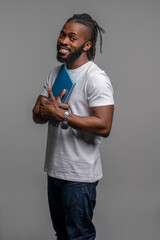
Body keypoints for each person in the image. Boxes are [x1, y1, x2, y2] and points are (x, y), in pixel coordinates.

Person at [32, 13, 114, 240]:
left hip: (80, 176)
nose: (63, 41)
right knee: (62, 234)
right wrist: (45, 110)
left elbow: (104, 125)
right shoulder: (55, 73)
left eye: (72, 37)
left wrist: (64, 115)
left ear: (87, 45)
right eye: (62, 34)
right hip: (55, 170)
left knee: (79, 236)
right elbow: (37, 115)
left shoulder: (95, 78)